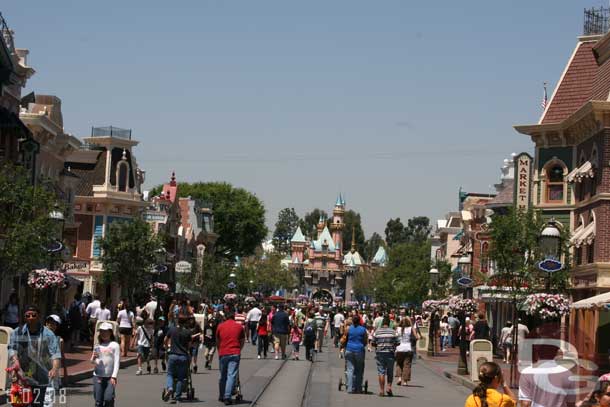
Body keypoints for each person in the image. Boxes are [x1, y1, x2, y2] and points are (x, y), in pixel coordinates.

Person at [8, 305, 61, 407]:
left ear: (39, 316)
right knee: (20, 404)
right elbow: (12, 349)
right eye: (28, 315)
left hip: (40, 378)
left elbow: (55, 354)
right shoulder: (17, 332)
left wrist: (54, 369)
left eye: (34, 315)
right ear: (24, 317)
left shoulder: (48, 334)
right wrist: (15, 362)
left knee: (37, 405)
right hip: (21, 376)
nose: (31, 318)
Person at [216, 311, 245, 406]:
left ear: (225, 317)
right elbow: (242, 341)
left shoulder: (220, 326)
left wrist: (219, 350)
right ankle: (227, 396)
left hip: (223, 352)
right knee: (231, 375)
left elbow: (217, 340)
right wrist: (239, 349)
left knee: (222, 375)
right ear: (234, 317)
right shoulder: (239, 327)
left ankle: (221, 395)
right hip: (235, 352)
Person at [163, 314, 193, 403]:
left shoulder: (172, 329)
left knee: (170, 374)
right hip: (183, 356)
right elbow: (190, 345)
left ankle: (170, 387)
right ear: (186, 322)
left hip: (173, 355)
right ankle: (178, 396)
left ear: (177, 321)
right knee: (181, 377)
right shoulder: (187, 332)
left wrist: (166, 347)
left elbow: (165, 339)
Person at [91, 322, 120, 407]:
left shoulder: (114, 345)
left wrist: (114, 376)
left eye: (106, 331)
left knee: (108, 398)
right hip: (98, 376)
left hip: (110, 377)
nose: (103, 333)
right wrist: (94, 359)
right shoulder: (97, 346)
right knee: (98, 401)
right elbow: (93, 362)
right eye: (102, 331)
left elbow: (117, 362)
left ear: (110, 332)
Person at [371, 315, 399, 397]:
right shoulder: (393, 332)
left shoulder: (377, 331)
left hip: (380, 354)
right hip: (390, 353)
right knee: (390, 372)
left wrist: (378, 345)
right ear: (389, 323)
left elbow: (373, 342)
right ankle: (389, 387)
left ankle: (382, 390)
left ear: (382, 323)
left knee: (381, 372)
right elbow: (398, 342)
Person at [345, 315, 367, 394]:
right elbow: (365, 341)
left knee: (350, 369)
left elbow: (346, 339)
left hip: (349, 349)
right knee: (359, 369)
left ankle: (350, 388)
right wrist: (362, 345)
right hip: (359, 350)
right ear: (359, 321)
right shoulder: (363, 329)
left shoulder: (348, 328)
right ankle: (358, 388)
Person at [44, 315, 68, 390]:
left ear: (56, 326)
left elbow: (62, 357)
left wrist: (65, 372)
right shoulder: (39, 337)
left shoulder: (59, 340)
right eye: (49, 323)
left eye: (53, 324)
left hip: (53, 372)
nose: (50, 325)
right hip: (41, 371)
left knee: (49, 395)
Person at [395, 316, 418, 386]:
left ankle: (399, 378)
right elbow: (416, 337)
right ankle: (405, 381)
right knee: (407, 365)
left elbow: (395, 336)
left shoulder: (398, 328)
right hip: (408, 348)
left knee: (399, 364)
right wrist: (411, 324)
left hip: (399, 348)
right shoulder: (410, 329)